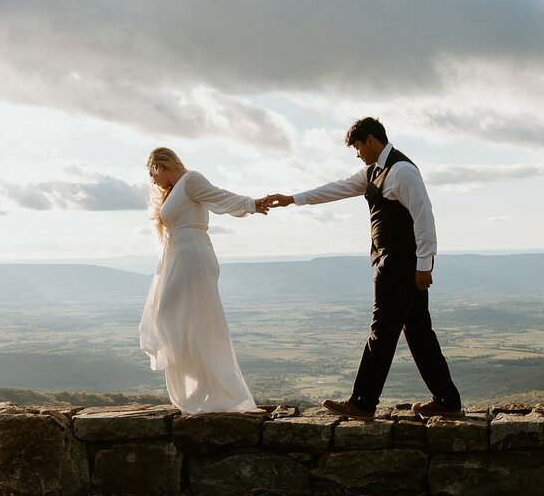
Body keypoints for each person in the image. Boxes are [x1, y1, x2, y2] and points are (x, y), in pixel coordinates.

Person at [263, 117, 464, 419]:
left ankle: (362, 402)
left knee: (381, 332)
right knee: (419, 332)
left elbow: (425, 218)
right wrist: (293, 199)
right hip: (392, 261)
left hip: (400, 263)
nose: (356, 153)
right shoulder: (373, 171)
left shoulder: (402, 171)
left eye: (357, 146)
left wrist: (424, 264)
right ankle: (447, 401)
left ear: (371, 140)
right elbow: (338, 188)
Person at [139, 147, 270, 414]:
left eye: (152, 173)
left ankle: (208, 388)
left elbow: (219, 197)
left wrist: (251, 204)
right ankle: (201, 386)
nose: (152, 181)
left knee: (182, 319)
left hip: (193, 256)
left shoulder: (191, 180)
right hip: (179, 257)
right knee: (172, 318)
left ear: (162, 165)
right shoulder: (175, 190)